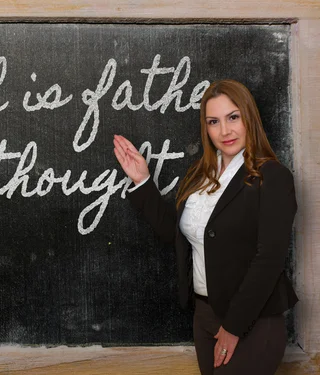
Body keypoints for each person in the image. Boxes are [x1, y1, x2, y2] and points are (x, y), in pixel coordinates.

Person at [113, 79, 298, 375]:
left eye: (233, 117)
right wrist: (142, 182)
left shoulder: (272, 177)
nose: (224, 131)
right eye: (214, 122)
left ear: (249, 117)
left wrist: (233, 327)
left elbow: (269, 259)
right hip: (205, 316)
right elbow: (178, 235)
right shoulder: (201, 177)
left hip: (252, 320)